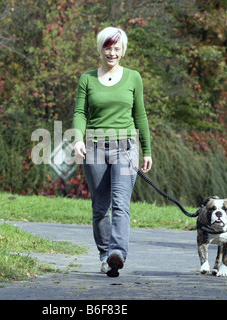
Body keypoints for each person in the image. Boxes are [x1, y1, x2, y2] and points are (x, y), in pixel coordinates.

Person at [72, 26, 152, 277]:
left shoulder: (133, 77)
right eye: (108, 47)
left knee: (120, 204)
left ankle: (117, 253)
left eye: (117, 48)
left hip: (125, 147)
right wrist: (77, 139)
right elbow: (80, 113)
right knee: (100, 206)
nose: (112, 52)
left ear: (123, 50)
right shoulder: (87, 78)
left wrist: (147, 150)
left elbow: (140, 114)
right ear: (100, 49)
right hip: (94, 146)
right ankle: (105, 254)